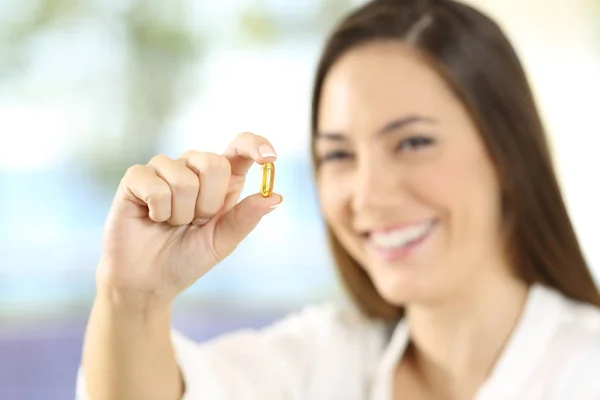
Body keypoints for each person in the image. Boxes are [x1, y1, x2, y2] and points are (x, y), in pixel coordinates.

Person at [76, 0, 600, 399]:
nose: (368, 196)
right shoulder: (325, 359)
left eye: (414, 143)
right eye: (338, 155)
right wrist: (132, 298)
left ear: (508, 154)